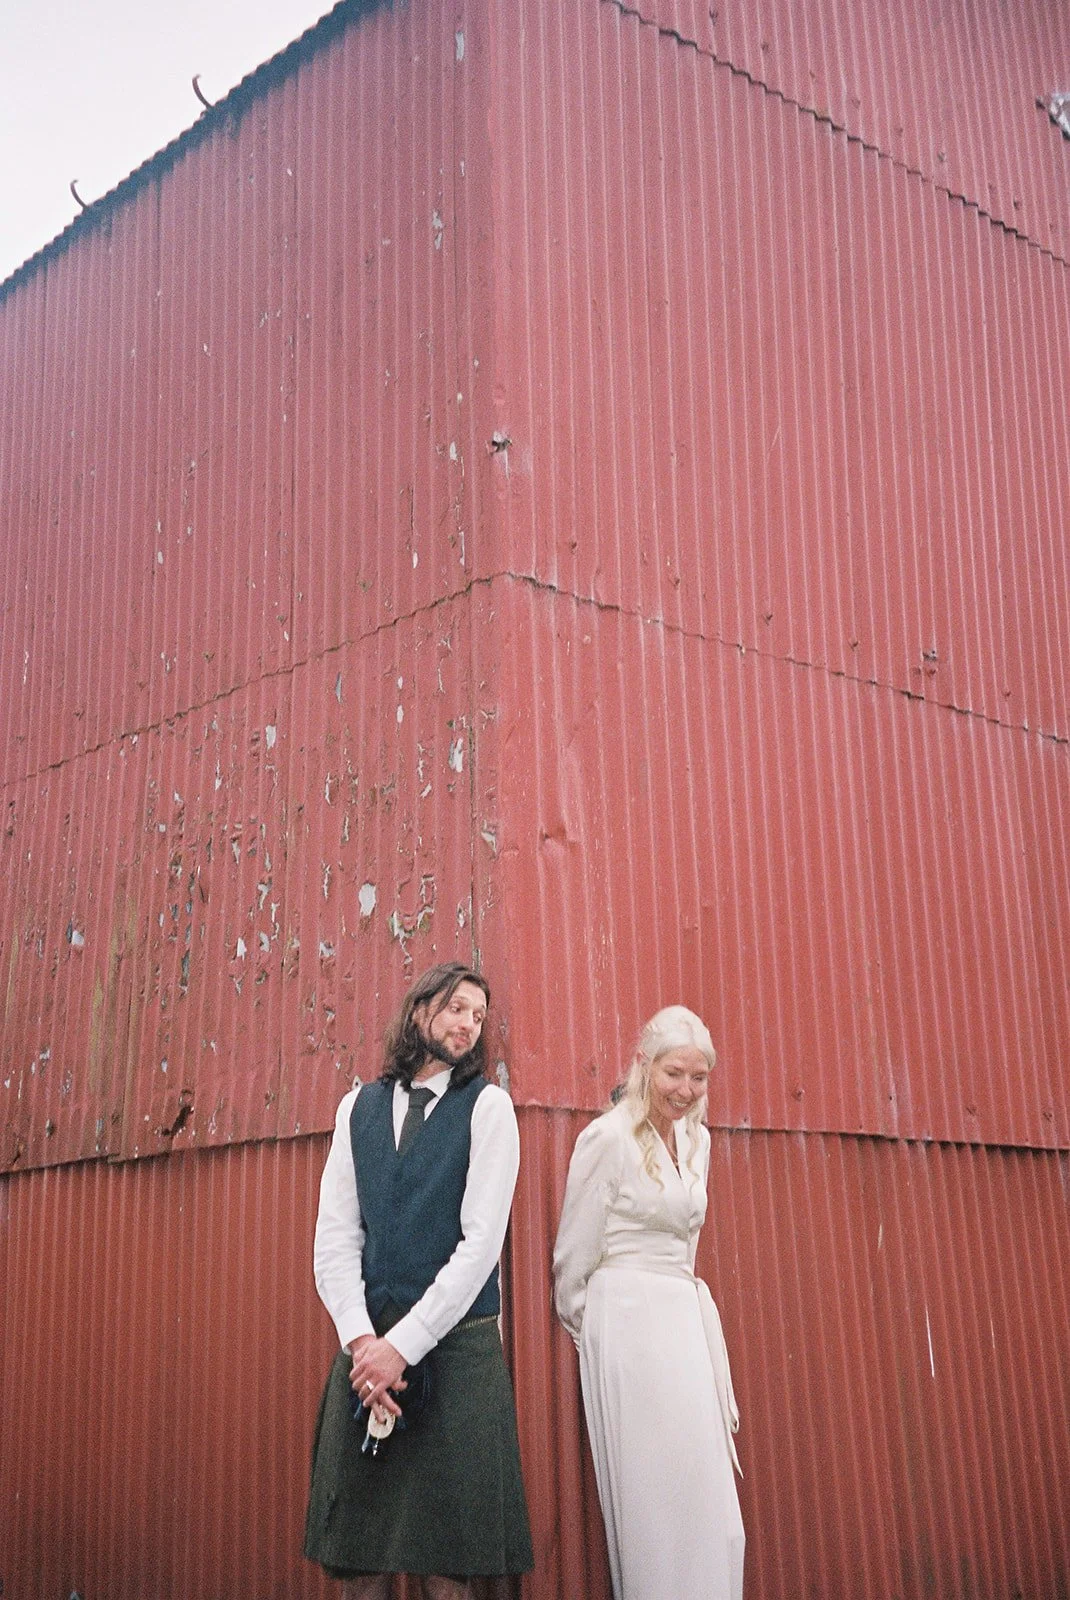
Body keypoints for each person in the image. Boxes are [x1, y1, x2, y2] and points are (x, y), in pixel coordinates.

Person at [305, 961, 534, 1600]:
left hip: (456, 1354)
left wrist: (399, 1349)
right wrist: (362, 1344)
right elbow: (335, 1240)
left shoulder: (489, 1110)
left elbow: (480, 1246)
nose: (468, 1024)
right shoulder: (358, 1109)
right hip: (365, 1353)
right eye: (456, 1008)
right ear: (419, 1012)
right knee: (360, 1558)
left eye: (479, 1016)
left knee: (450, 1565)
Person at [552, 1005, 745, 1600]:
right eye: (673, 1075)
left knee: (708, 1498)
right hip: (627, 1330)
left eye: (698, 1078)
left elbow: (687, 1243)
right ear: (644, 1066)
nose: (685, 1091)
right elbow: (572, 1261)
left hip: (682, 1323)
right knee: (652, 1503)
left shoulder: (698, 1138)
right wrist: (604, 1335)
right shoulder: (606, 1138)